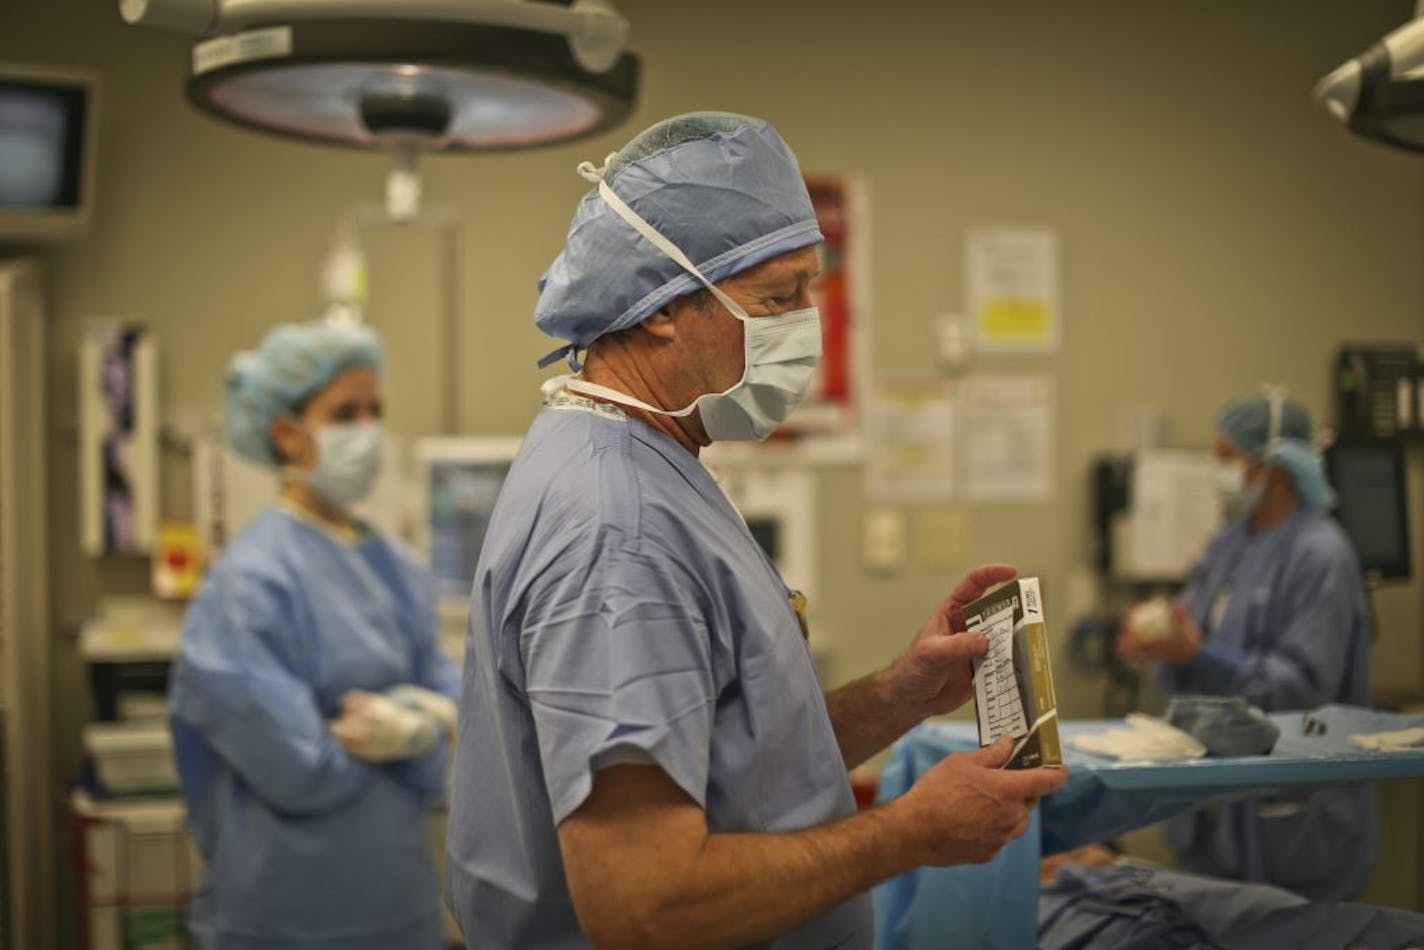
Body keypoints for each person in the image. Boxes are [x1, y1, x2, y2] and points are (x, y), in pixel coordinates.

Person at [444, 111, 1066, 949]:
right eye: (778, 298)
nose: (806, 325)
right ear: (662, 308)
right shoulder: (615, 533)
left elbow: (733, 760)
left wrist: (899, 695)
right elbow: (647, 906)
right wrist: (911, 833)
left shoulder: (642, 462)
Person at [169, 320, 459, 950]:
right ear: (286, 432)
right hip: (284, 911)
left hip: (400, 906)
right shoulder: (248, 584)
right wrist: (422, 730)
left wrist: (409, 726)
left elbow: (452, 703)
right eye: (345, 413)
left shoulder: (396, 564)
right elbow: (297, 768)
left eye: (375, 411)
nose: (367, 431)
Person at [1117, 389, 1375, 900]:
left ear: (1274, 467)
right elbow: (1190, 626)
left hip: (1291, 816)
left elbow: (1300, 686)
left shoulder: (1321, 555)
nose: (1218, 474)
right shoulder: (1230, 541)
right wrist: (1158, 636)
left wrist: (1198, 653)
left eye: (1227, 459)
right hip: (1215, 807)